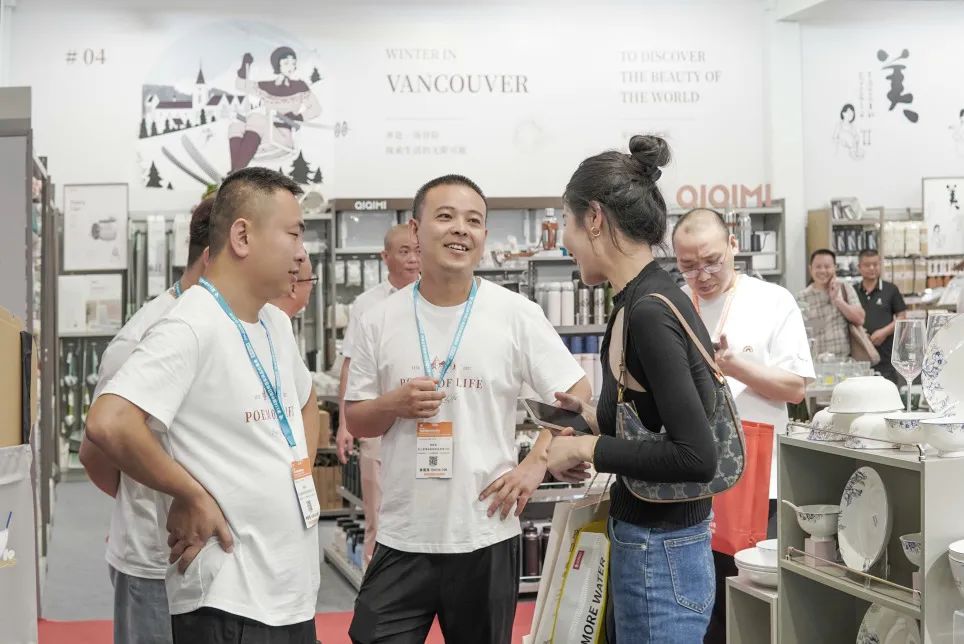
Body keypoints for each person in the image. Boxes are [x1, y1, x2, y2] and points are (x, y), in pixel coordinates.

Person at [344, 175, 590, 644]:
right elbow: (356, 419)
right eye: (445, 216)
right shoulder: (378, 319)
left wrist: (537, 463)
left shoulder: (515, 313)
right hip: (404, 533)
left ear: (484, 236)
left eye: (473, 221)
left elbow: (576, 390)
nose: (461, 229)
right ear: (415, 231)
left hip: (486, 530)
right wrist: (393, 405)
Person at [85, 167, 322, 644]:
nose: (301, 253)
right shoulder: (189, 324)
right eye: (293, 233)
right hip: (228, 598)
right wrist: (190, 493)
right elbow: (109, 422)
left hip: (289, 590)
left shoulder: (273, 322)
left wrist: (295, 474)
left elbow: (307, 401)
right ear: (242, 236)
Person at [546, 135, 720, 643]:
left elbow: (695, 456)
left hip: (658, 555)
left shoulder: (647, 312)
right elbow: (657, 419)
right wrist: (592, 416)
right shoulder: (643, 298)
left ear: (594, 219)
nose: (565, 240)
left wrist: (588, 448)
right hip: (657, 548)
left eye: (567, 221)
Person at [672, 208, 815, 644]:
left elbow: (795, 388)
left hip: (759, 480)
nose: (702, 275)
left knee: (755, 602)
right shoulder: (673, 305)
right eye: (689, 265)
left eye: (712, 261)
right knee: (701, 604)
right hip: (691, 481)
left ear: (733, 245)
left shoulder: (772, 301)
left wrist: (736, 367)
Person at [79, 196, 213, 644]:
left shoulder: (232, 327)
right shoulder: (142, 337)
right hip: (153, 562)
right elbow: (96, 451)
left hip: (218, 560)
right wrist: (144, 502)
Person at [335, 224, 421, 567]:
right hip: (376, 422)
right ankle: (374, 584)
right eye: (404, 251)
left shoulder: (437, 298)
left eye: (417, 250)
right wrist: (345, 424)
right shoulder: (367, 305)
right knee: (378, 515)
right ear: (385, 257)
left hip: (425, 426)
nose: (413, 259)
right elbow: (350, 365)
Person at [797, 249, 865, 358]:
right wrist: (817, 324)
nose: (822, 270)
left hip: (845, 360)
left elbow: (860, 319)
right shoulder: (802, 297)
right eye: (818, 267)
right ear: (810, 269)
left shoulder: (845, 288)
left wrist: (838, 300)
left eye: (827, 266)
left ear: (835, 268)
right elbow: (799, 331)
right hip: (815, 361)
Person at [855, 249, 907, 386]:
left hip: (885, 356)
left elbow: (902, 316)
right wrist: (861, 334)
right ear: (859, 267)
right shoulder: (852, 291)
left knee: (887, 391)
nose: (872, 268)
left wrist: (884, 332)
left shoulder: (891, 289)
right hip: (859, 356)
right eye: (867, 265)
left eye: (875, 264)